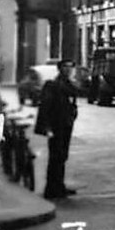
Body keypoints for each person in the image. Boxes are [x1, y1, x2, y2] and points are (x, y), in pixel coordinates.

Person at [35, 59, 78, 200]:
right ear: (60, 69)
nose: (68, 69)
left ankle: (59, 185)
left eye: (70, 67)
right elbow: (45, 107)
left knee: (62, 156)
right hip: (56, 125)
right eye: (65, 67)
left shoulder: (69, 85)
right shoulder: (53, 85)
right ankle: (51, 189)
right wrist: (46, 127)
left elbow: (74, 101)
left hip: (66, 125)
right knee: (56, 156)